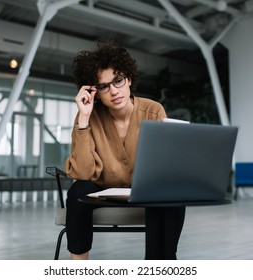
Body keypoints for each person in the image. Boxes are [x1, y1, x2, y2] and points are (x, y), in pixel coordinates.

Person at [64, 39, 185, 260]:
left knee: (172, 195)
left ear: (128, 79)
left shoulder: (154, 111)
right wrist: (83, 117)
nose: (113, 91)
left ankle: (161, 266)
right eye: (103, 86)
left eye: (118, 81)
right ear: (95, 91)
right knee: (77, 191)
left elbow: (164, 165)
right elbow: (82, 173)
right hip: (100, 192)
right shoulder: (88, 116)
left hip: (145, 192)